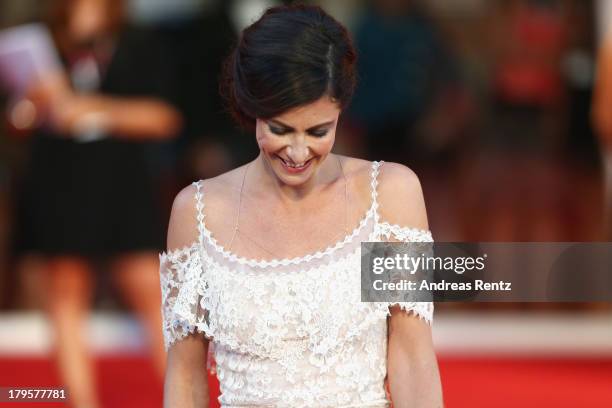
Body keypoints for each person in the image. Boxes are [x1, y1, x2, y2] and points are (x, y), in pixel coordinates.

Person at [160, 4, 443, 407]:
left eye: (317, 131)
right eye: (279, 129)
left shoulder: (391, 195)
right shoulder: (197, 212)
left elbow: (413, 358)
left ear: (341, 111)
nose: (297, 151)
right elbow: (185, 375)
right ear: (251, 107)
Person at [11, 0, 182, 407]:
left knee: (148, 289)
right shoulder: (40, 38)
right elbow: (17, 120)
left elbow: (165, 117)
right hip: (59, 182)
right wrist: (33, 105)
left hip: (122, 181)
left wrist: (92, 109)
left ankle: (180, 398)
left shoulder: (139, 42)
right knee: (65, 293)